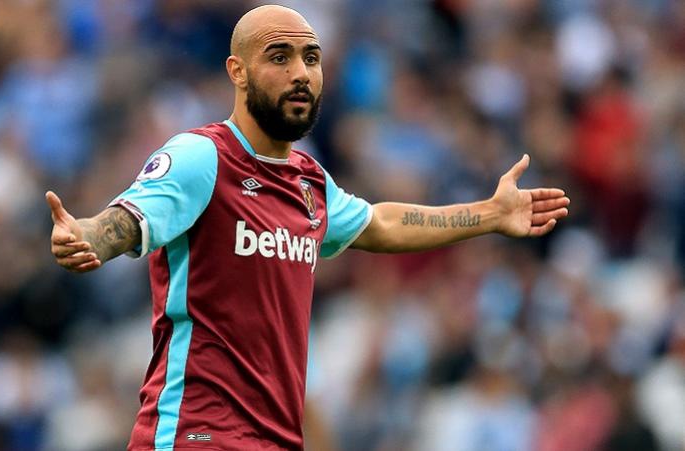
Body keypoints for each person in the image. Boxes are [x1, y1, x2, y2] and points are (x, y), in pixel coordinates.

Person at [46, 5, 570, 450]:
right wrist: (87, 236)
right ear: (238, 71)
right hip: (196, 434)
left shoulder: (309, 182)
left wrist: (489, 215)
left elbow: (381, 224)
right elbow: (125, 219)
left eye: (311, 58)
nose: (301, 73)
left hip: (275, 439)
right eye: (280, 57)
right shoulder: (202, 157)